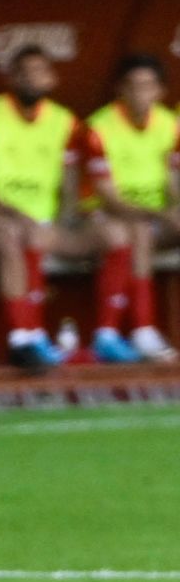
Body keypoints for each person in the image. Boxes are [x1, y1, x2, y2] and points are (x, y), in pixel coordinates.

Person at [0, 45, 131, 368]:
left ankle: (107, 335)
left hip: (49, 225)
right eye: (24, 72)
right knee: (25, 233)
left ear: (51, 78)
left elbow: (69, 185)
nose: (32, 79)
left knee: (115, 233)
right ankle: (32, 334)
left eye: (39, 71)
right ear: (11, 77)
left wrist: (71, 219)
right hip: (2, 220)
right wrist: (7, 212)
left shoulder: (65, 122)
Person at [83, 54, 180, 362]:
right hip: (105, 217)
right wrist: (161, 213)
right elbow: (108, 197)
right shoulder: (99, 126)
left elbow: (173, 181)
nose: (141, 93)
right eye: (134, 86)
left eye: (148, 86)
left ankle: (129, 332)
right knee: (135, 231)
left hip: (155, 219)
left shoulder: (170, 124)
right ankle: (140, 329)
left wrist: (174, 209)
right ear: (120, 90)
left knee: (145, 229)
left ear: (160, 91)